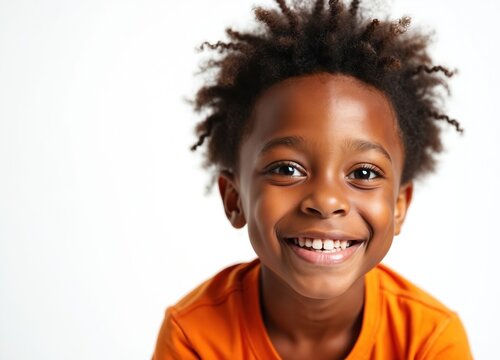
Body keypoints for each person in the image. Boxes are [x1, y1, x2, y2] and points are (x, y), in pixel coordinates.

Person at [153, 0, 472, 358]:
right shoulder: (193, 336)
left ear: (399, 207)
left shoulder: (428, 341)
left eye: (363, 173)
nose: (326, 200)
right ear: (234, 198)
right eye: (287, 169)